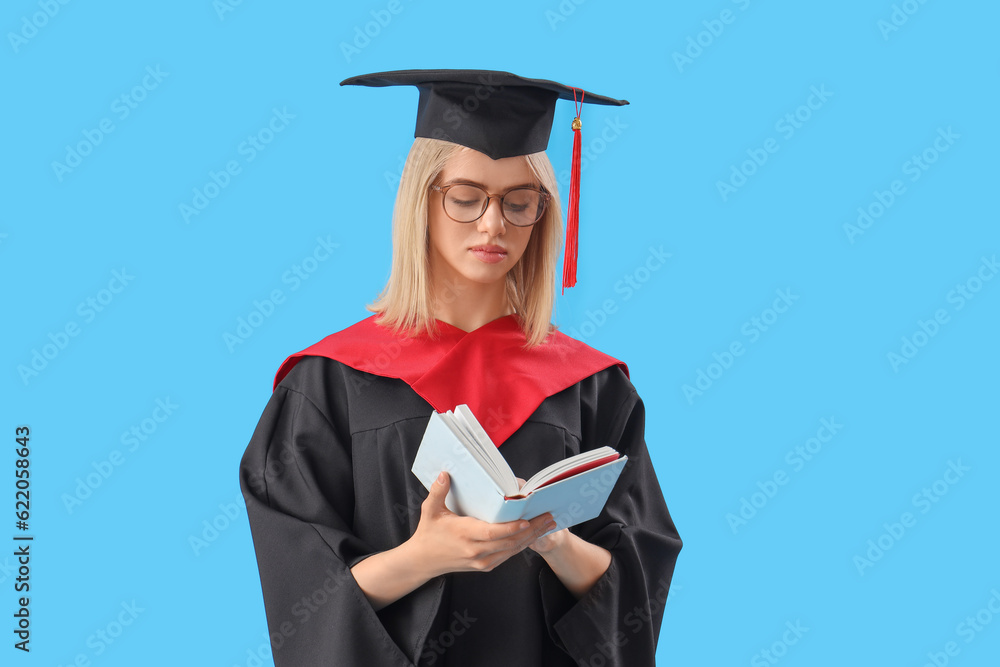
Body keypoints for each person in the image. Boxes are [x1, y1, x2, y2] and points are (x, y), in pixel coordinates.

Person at [239, 69, 682, 666]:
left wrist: (552, 540)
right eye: (467, 198)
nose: (493, 224)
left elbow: (638, 585)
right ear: (421, 201)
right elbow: (298, 591)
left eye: (519, 202)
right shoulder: (330, 381)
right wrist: (424, 555)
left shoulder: (593, 388)